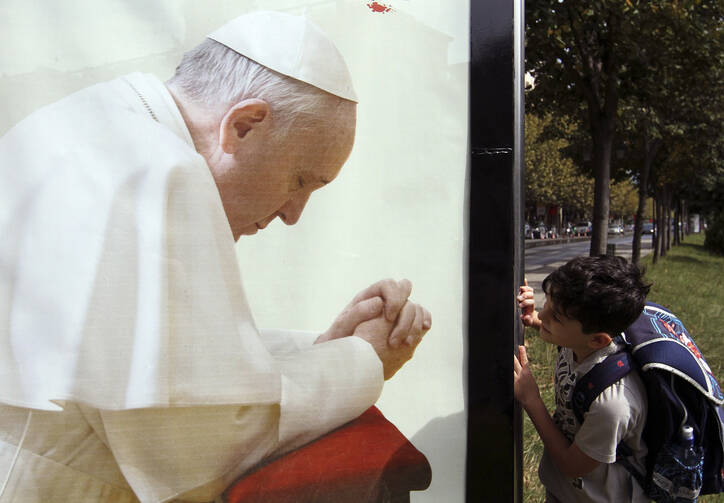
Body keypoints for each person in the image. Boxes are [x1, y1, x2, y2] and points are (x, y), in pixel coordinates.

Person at [0, 11, 431, 502]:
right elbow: (194, 448)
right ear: (244, 125)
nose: (293, 213)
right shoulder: (161, 172)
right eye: (300, 180)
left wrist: (324, 348)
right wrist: (364, 359)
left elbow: (157, 360)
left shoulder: (91, 123)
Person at [513, 256, 651, 503]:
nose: (544, 315)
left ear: (598, 340)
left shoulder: (613, 405)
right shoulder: (582, 341)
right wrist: (534, 319)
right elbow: (561, 332)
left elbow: (571, 465)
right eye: (548, 303)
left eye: (555, 317)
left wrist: (531, 399)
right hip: (566, 491)